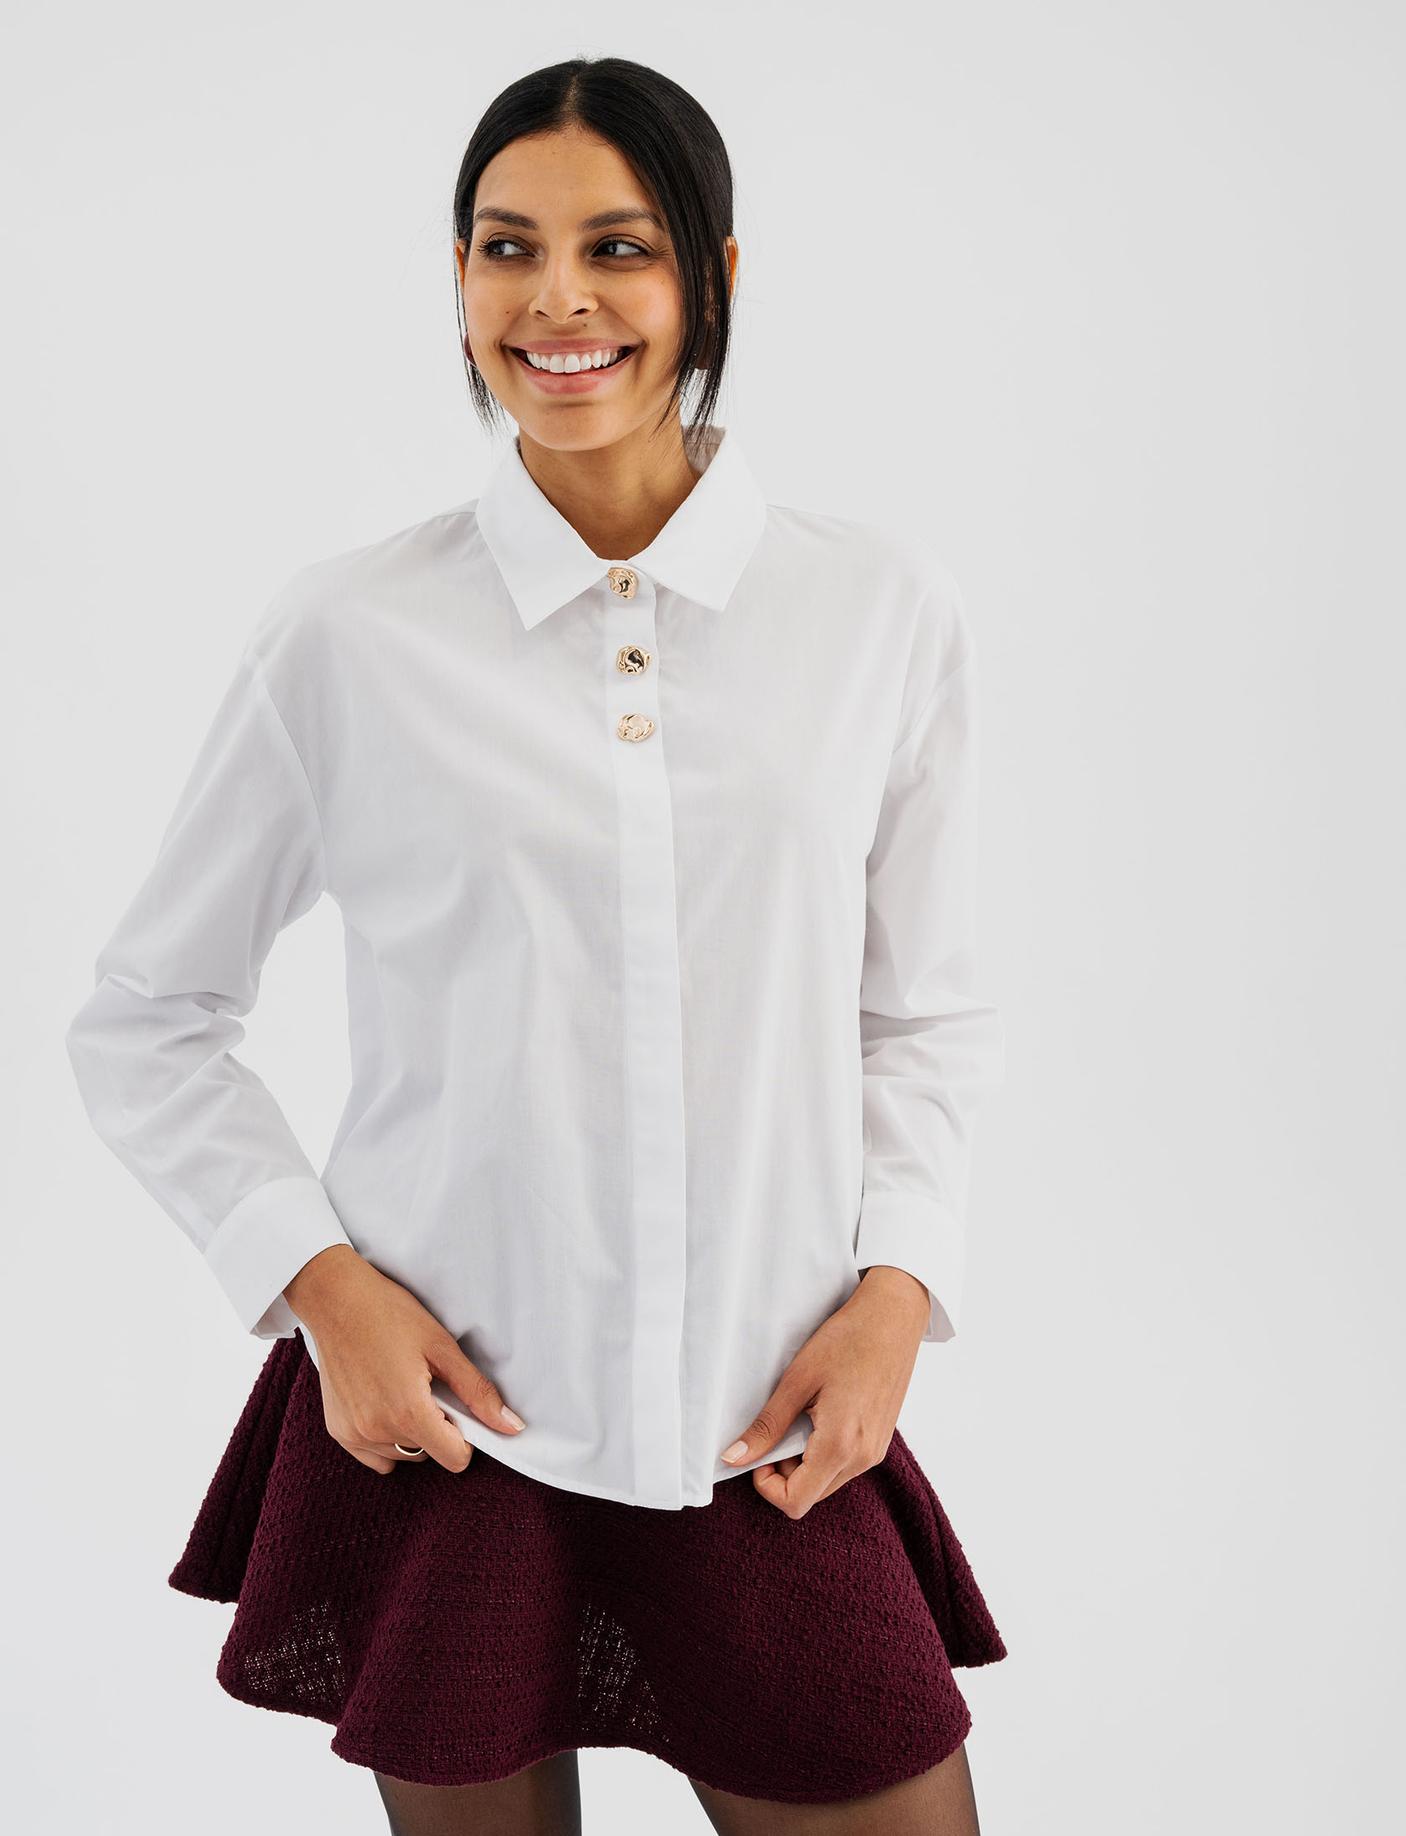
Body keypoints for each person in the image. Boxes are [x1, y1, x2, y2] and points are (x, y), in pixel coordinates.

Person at [64, 54, 1009, 1836]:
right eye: (508, 249)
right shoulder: (349, 633)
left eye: (617, 248)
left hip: (768, 1422)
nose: (558, 300)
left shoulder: (878, 609)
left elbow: (923, 1014)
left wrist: (897, 1294)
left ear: (712, 277)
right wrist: (321, 1290)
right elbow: (147, 1016)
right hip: (448, 1430)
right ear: (459, 279)